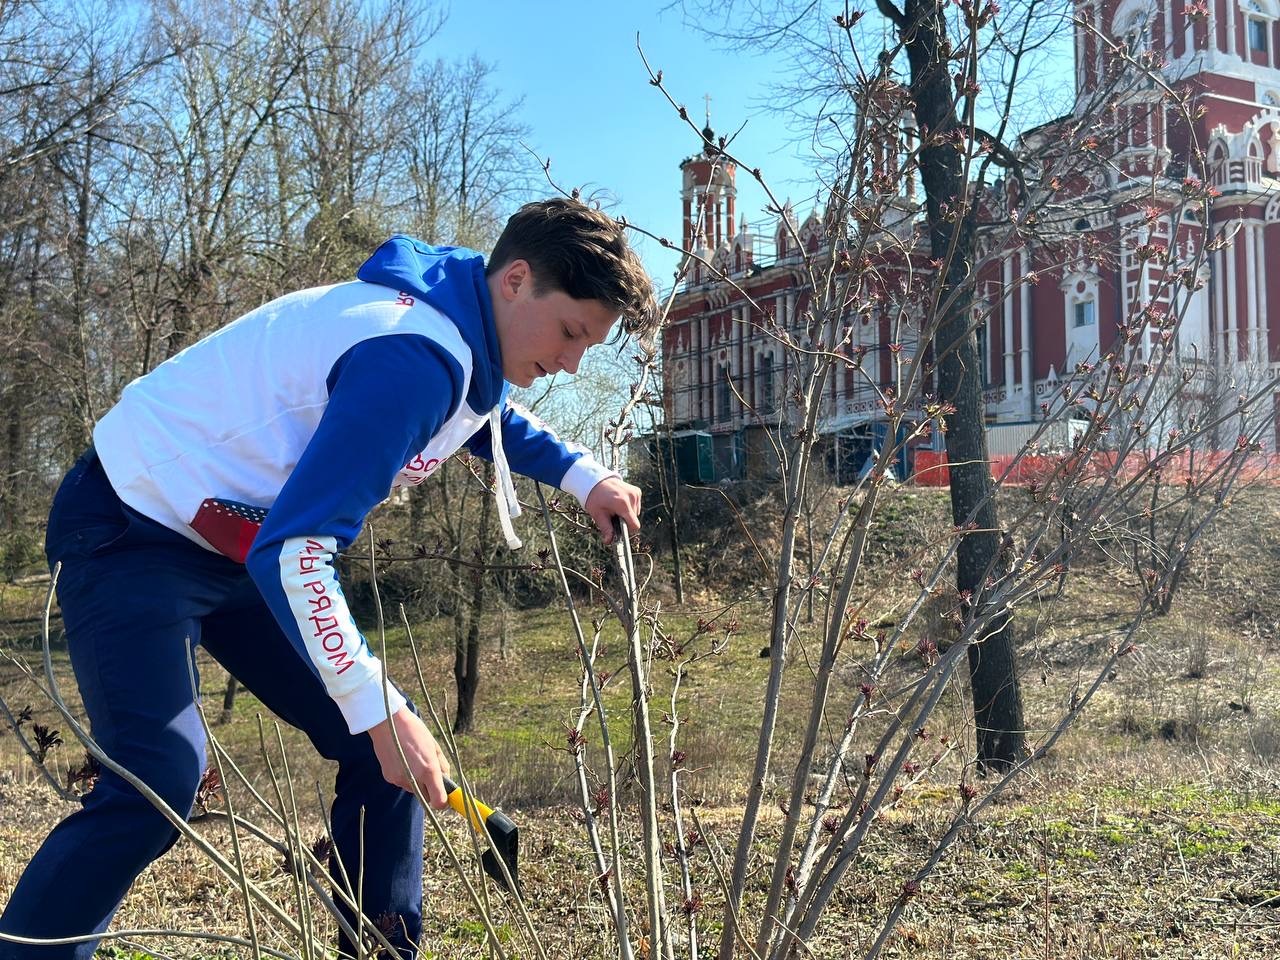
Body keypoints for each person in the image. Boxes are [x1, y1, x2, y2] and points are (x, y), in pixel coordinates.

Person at [0, 198, 658, 959]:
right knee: (158, 782)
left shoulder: (461, 325)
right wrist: (376, 707)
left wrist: (582, 475)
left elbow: (485, 414)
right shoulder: (410, 359)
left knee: (383, 750)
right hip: (131, 524)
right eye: (572, 333)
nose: (572, 362)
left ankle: (380, 950)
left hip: (239, 539)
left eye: (590, 345)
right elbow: (299, 551)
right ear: (516, 280)